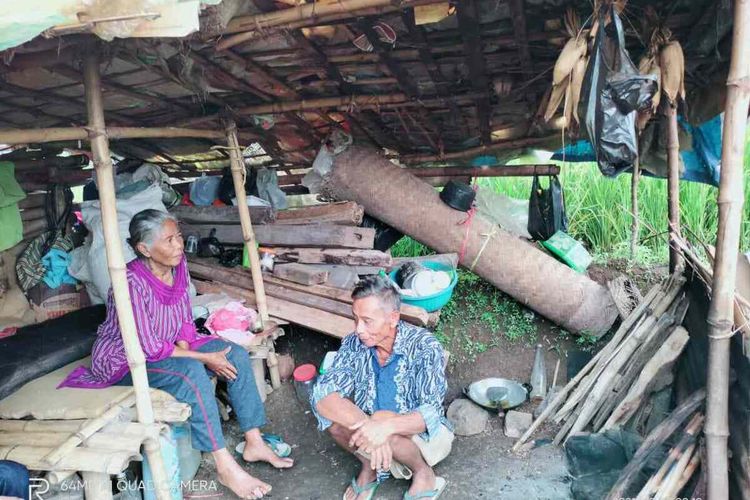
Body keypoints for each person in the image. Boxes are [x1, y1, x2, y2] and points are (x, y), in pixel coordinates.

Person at [61, 209, 292, 499]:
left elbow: (184, 313)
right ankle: (224, 465)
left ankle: (254, 441)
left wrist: (187, 346)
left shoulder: (178, 263)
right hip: (126, 359)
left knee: (234, 354)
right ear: (144, 249)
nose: (178, 245)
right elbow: (149, 348)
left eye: (178, 237)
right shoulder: (130, 283)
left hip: (169, 344)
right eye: (169, 240)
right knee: (192, 374)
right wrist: (204, 359)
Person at [312, 275, 453, 500]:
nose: (358, 329)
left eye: (367, 321)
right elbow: (322, 394)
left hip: (420, 436)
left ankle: (423, 473)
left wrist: (386, 427)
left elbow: (430, 414)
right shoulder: (353, 344)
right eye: (355, 319)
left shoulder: (424, 346)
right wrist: (371, 427)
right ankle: (370, 466)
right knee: (335, 422)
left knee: (384, 421)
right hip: (372, 425)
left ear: (393, 318)